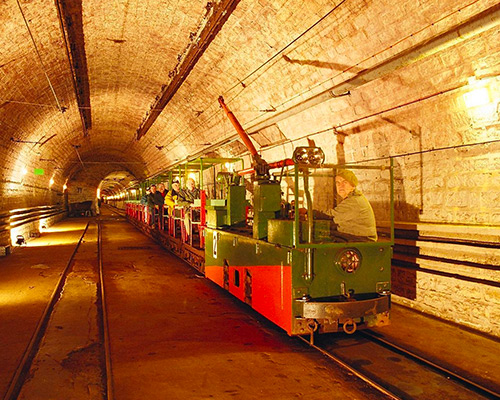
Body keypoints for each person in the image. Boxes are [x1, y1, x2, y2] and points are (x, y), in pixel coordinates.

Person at [327, 169, 377, 242]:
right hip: (356, 235)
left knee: (325, 238)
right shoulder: (351, 198)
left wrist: (310, 213)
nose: (341, 186)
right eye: (338, 183)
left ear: (352, 185)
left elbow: (332, 216)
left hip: (364, 239)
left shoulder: (354, 201)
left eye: (345, 182)